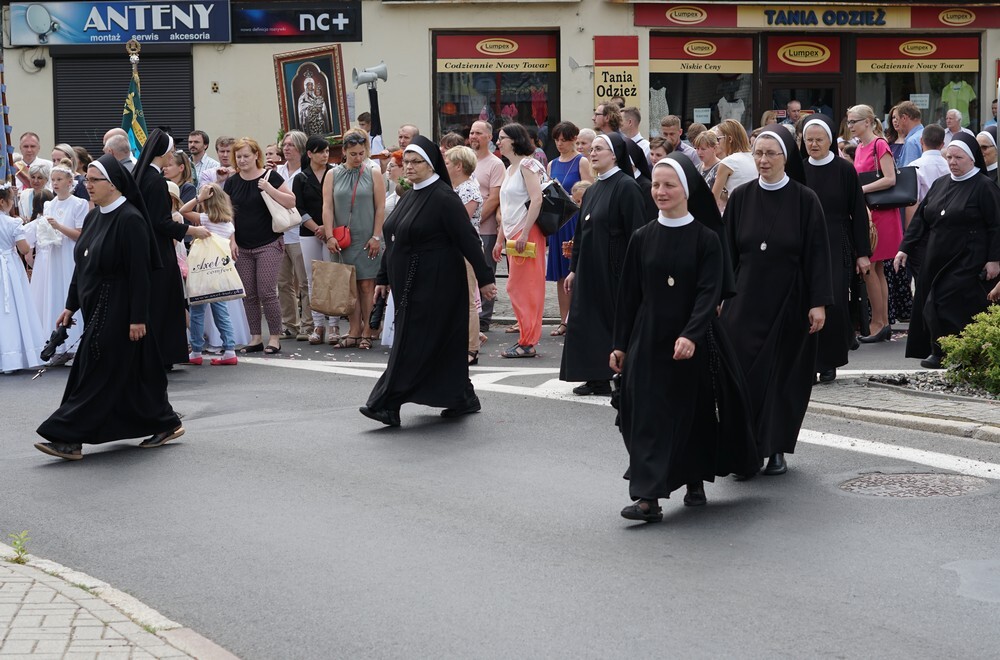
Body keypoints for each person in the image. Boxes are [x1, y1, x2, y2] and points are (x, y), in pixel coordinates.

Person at [612, 154, 758, 522]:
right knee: (645, 414)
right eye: (656, 185)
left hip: (693, 338)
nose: (660, 192)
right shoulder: (642, 238)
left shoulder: (706, 239)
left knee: (692, 413)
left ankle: (694, 477)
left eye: (669, 185)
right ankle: (648, 498)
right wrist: (619, 343)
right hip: (648, 338)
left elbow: (710, 293)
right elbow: (628, 295)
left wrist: (691, 334)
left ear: (686, 190)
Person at [35, 155, 184, 460]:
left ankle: (68, 437)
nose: (86, 185)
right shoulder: (93, 217)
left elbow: (140, 274)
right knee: (129, 374)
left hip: (119, 307)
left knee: (93, 371)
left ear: (113, 184)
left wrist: (138, 317)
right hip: (95, 306)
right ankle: (164, 421)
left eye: (93, 180)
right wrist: (70, 305)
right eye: (86, 180)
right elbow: (83, 265)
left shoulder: (130, 219)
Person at [360, 136, 497, 426]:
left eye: (415, 161)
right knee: (437, 344)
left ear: (431, 163)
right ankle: (462, 397)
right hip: (410, 283)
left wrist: (485, 279)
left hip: (438, 284)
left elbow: (468, 240)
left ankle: (386, 403)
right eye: (405, 162)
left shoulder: (444, 197)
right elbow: (394, 238)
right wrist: (384, 277)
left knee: (413, 343)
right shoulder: (411, 195)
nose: (407, 167)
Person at [720, 125, 833, 476]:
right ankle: (743, 449)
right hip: (746, 298)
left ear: (787, 157)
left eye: (771, 153)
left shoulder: (804, 199)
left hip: (791, 299)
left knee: (782, 377)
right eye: (758, 153)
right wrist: (722, 296)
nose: (763, 160)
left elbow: (817, 254)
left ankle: (776, 448)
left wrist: (819, 302)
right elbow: (728, 252)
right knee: (741, 375)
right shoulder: (740, 198)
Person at [894, 132, 1000, 369]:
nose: (952, 162)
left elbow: (996, 225)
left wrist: (995, 260)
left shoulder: (984, 187)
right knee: (929, 303)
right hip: (936, 255)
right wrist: (905, 248)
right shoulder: (940, 184)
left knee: (946, 302)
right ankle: (939, 349)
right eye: (949, 157)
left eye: (958, 157)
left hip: (968, 257)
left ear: (972, 159)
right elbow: (921, 219)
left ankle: (956, 352)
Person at [560, 132, 646, 394]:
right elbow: (581, 234)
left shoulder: (626, 187)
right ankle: (595, 376)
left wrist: (634, 271)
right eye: (591, 149)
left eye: (599, 149)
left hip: (615, 268)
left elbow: (637, 232)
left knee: (612, 322)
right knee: (588, 321)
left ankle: (620, 374)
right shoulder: (593, 189)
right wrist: (574, 269)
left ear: (615, 154)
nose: (593, 153)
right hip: (589, 268)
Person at [801, 115, 872, 383]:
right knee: (805, 302)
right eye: (809, 140)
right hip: (803, 243)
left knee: (835, 302)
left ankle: (829, 361)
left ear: (830, 141)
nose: (814, 144)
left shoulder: (844, 169)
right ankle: (808, 361)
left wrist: (862, 253)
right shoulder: (798, 168)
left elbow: (857, 212)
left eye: (819, 139)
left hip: (836, 240)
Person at [133, 129, 211, 369]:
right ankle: (163, 356)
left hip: (146, 247)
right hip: (158, 249)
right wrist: (191, 230)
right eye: (171, 151)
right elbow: (160, 222)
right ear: (163, 153)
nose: (173, 156)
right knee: (164, 303)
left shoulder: (142, 176)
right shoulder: (156, 181)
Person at [225, 137, 296, 355]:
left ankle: (275, 337)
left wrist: (268, 188)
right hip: (243, 245)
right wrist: (232, 240)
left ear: (257, 155)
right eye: (239, 157)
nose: (243, 160)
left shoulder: (270, 176)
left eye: (246, 156)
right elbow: (229, 215)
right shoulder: (232, 181)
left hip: (269, 242)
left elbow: (291, 201)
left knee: (267, 291)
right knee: (249, 294)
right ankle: (255, 337)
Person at [323, 128, 386, 350]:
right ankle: (354, 329)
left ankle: (369, 329)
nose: (358, 158)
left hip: (368, 235)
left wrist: (376, 235)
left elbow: (380, 207)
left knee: (367, 284)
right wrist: (329, 235)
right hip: (342, 239)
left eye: (362, 153)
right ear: (344, 152)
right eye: (353, 154)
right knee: (348, 285)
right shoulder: (332, 174)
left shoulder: (373, 172)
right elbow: (327, 207)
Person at [24, 162, 89, 364]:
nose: (55, 183)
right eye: (53, 180)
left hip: (68, 254)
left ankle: (74, 345)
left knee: (67, 290)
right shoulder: (49, 204)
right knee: (52, 292)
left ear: (70, 182)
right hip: (52, 255)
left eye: (59, 180)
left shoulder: (79, 204)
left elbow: (80, 235)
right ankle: (55, 343)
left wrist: (59, 227)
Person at [492, 123, 546, 358]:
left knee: (525, 287)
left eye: (501, 138)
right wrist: (499, 238)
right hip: (515, 233)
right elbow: (507, 207)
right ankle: (526, 337)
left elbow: (537, 199)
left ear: (514, 140)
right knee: (518, 287)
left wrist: (524, 233)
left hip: (527, 233)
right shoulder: (511, 167)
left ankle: (528, 340)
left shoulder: (527, 165)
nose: (498, 142)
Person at [848, 105, 900, 344]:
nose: (850, 126)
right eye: (849, 122)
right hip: (870, 212)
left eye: (853, 122)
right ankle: (882, 322)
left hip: (878, 214)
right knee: (876, 270)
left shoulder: (878, 144)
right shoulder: (860, 147)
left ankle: (878, 323)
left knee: (871, 269)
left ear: (867, 122)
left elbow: (891, 178)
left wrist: (860, 190)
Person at [180, 184, 239, 366]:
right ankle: (229, 349)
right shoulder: (228, 225)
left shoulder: (204, 219)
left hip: (202, 271)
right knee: (221, 311)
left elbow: (183, 210)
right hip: (219, 273)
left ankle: (196, 350)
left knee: (197, 312)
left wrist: (199, 198)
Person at [546, 121, 593, 336]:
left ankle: (578, 317)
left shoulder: (581, 161)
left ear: (573, 139)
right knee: (560, 275)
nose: (559, 144)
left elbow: (590, 192)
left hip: (575, 220)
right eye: (556, 139)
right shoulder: (552, 163)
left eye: (564, 140)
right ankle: (563, 319)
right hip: (559, 221)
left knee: (575, 270)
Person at [294, 135, 337, 345]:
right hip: (309, 232)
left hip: (332, 231)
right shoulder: (301, 177)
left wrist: (326, 228)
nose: (325, 155)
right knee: (313, 279)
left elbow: (339, 202)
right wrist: (315, 227)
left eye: (327, 151)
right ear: (310, 153)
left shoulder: (335, 172)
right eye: (320, 151)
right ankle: (318, 325)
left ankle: (334, 325)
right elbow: (298, 207)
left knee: (332, 276)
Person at [444, 145, 484, 365]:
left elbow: (460, 223)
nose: (445, 166)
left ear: (459, 166)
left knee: (468, 299)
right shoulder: (456, 188)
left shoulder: (468, 189)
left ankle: (472, 348)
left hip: (465, 248)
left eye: (448, 163)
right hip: (454, 247)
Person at [0, 184, 45, 374]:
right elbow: (25, 249)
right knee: (12, 309)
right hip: (8, 267)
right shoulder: (12, 223)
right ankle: (14, 356)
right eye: (12, 200)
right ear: (3, 202)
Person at [275, 130, 312, 342]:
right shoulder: (278, 171)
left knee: (305, 282)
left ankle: (308, 324)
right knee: (284, 283)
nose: (287, 148)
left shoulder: (305, 173)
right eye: (285, 144)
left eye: (291, 145)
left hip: (299, 233)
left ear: (300, 149)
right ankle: (290, 323)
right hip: (280, 234)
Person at [469, 120, 504, 333]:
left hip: (486, 228)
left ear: (489, 137)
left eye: (478, 133)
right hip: (467, 228)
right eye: (472, 132)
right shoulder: (466, 161)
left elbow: (494, 198)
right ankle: (471, 314)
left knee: (486, 271)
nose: (473, 136)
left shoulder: (495, 164)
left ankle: (484, 319)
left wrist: (474, 220)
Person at [712, 119, 756, 212]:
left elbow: (712, 200)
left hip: (738, 213)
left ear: (730, 139)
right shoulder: (755, 157)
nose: (716, 143)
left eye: (718, 139)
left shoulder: (728, 162)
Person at [897, 102, 924, 167]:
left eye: (898, 119)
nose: (897, 123)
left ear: (904, 118)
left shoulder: (912, 142)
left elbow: (909, 173)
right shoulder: (927, 134)